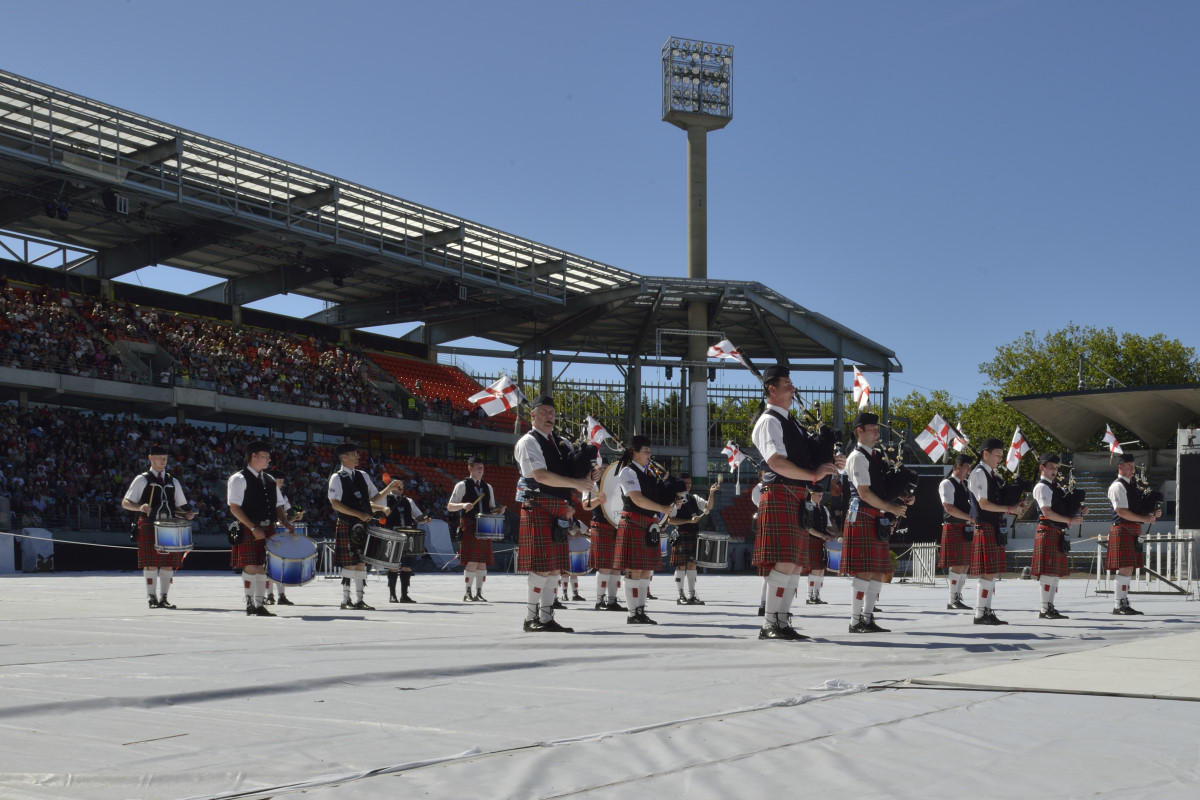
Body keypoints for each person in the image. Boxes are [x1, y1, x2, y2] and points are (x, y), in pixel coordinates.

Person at [751, 365, 845, 640]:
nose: (794, 389)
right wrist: (813, 475)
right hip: (781, 492)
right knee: (783, 562)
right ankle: (770, 623)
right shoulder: (769, 421)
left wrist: (830, 464)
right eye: (788, 384)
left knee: (793, 564)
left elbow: (804, 459)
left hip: (795, 496)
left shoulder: (792, 423)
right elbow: (776, 462)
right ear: (772, 389)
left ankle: (782, 621)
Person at [514, 395, 598, 633]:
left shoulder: (560, 443)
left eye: (552, 412)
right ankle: (530, 618)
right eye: (543, 412)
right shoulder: (528, 442)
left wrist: (589, 478)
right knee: (541, 566)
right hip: (539, 505)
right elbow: (539, 475)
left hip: (559, 508)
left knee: (553, 568)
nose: (549, 416)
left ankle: (546, 617)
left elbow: (569, 475)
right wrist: (576, 483)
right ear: (532, 415)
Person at [327, 443, 405, 610]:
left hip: (363, 525)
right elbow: (335, 504)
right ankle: (345, 600)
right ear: (344, 457)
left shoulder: (363, 475)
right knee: (349, 563)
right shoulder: (337, 477)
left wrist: (389, 488)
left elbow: (374, 498)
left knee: (361, 563)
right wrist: (358, 514)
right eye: (354, 454)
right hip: (348, 523)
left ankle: (360, 599)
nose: (358, 457)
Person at [612, 435, 679, 625]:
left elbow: (656, 496)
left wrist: (672, 500)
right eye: (645, 451)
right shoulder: (628, 471)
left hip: (648, 523)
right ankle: (633, 613)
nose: (649, 454)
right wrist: (662, 509)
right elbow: (637, 499)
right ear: (634, 452)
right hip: (634, 521)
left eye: (650, 451)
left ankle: (640, 610)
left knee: (644, 571)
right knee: (634, 569)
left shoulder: (650, 473)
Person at [120, 443, 196, 609]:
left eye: (165, 459)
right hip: (148, 523)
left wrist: (186, 514)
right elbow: (125, 503)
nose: (163, 461)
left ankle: (164, 597)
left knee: (168, 562)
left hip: (169, 525)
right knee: (151, 563)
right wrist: (140, 507)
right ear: (150, 458)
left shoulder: (172, 481)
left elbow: (180, 506)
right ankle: (152, 597)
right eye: (160, 458)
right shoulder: (142, 479)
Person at [227, 441, 293, 616]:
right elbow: (234, 507)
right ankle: (250, 604)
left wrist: (285, 522)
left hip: (268, 526)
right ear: (253, 456)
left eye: (268, 456)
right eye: (264, 456)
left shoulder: (270, 480)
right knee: (251, 566)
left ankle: (259, 604)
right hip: (249, 527)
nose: (268, 459)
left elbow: (279, 505)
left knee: (263, 566)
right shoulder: (238, 478)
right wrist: (252, 527)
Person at [967, 438, 1026, 626]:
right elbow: (983, 503)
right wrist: (1009, 510)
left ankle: (985, 611)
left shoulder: (992, 474)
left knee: (991, 573)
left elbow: (997, 501)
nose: (1000, 459)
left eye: (1001, 455)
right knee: (988, 573)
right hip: (985, 525)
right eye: (997, 455)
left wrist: (1015, 505)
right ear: (986, 453)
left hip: (993, 527)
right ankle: (980, 613)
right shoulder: (979, 473)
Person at [1031, 453, 1086, 620]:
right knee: (1048, 572)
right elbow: (1047, 512)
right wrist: (1070, 519)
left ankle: (1050, 606)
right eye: (1051, 467)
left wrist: (1080, 508)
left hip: (1057, 532)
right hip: (1048, 530)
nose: (1054, 471)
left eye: (1056, 467)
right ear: (1042, 468)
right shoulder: (1042, 487)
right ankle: (1044, 608)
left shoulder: (1056, 487)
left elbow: (1062, 507)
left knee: (1054, 573)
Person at [446, 456, 506, 602]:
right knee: (471, 560)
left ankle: (479, 592)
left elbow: (490, 508)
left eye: (482, 467)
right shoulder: (462, 485)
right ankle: (467, 592)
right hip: (469, 524)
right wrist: (462, 505)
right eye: (478, 467)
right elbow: (449, 506)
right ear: (470, 468)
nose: (481, 469)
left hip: (485, 525)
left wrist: (498, 511)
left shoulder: (488, 487)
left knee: (482, 561)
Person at [1107, 453, 1159, 615]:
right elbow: (1121, 511)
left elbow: (1137, 508)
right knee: (1125, 567)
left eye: (1133, 466)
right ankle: (1119, 604)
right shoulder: (1118, 486)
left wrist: (1153, 512)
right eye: (1129, 465)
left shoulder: (1132, 485)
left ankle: (1123, 601)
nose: (1132, 469)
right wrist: (1144, 518)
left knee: (1129, 568)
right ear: (1120, 467)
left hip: (1132, 529)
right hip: (1123, 528)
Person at [670, 472, 720, 605]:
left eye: (690, 483)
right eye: (685, 483)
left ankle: (692, 595)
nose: (688, 485)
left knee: (692, 565)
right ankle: (681, 595)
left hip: (694, 535)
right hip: (681, 534)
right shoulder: (674, 499)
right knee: (681, 566)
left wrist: (711, 493)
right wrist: (688, 521)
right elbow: (670, 521)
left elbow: (708, 507)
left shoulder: (694, 497)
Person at [381, 479, 430, 603]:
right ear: (391, 487)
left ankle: (404, 595)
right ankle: (392, 595)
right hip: (392, 534)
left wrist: (424, 519)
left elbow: (418, 517)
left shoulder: (409, 501)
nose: (401, 487)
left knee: (406, 566)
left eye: (402, 485)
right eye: (398, 485)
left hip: (408, 535)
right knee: (393, 566)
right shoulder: (385, 499)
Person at [938, 453, 975, 611]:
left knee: (965, 565)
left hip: (966, 527)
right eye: (967, 467)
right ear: (958, 466)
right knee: (958, 564)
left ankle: (957, 597)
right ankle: (952, 599)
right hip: (954, 525)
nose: (968, 470)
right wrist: (970, 518)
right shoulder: (947, 483)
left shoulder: (966, 484)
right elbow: (949, 508)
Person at [583, 483, 625, 611]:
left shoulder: (619, 483)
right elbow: (586, 506)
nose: (603, 470)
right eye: (600, 468)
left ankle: (612, 601)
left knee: (617, 566)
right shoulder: (591, 485)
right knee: (605, 566)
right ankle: (599, 601)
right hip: (601, 524)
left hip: (619, 524)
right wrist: (598, 499)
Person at [263, 470, 299, 606]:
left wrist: (295, 517)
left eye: (283, 481)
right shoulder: (265, 493)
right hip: (269, 529)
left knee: (280, 564)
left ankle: (281, 595)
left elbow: (287, 515)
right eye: (280, 481)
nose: (282, 483)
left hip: (280, 533)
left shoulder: (283, 496)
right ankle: (269, 595)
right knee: (267, 565)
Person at [801, 484, 837, 605]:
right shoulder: (806, 507)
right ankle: (809, 596)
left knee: (821, 570)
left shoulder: (823, 509)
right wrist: (822, 536)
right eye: (818, 495)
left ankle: (816, 595)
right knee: (815, 569)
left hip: (822, 541)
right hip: (811, 540)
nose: (820, 497)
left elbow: (827, 526)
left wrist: (836, 534)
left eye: (821, 495)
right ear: (811, 494)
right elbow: (808, 527)